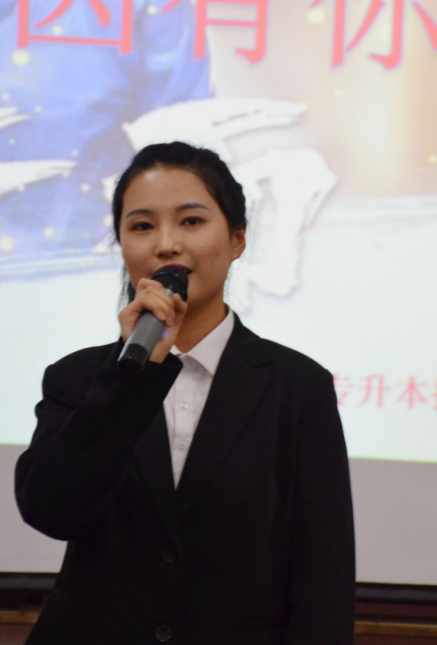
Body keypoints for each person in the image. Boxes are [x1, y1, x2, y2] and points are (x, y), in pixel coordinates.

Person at [15, 141, 356, 645]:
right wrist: (128, 381)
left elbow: (323, 568)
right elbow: (50, 510)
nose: (166, 245)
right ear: (121, 243)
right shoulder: (80, 378)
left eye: (191, 221)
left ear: (237, 238)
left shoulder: (297, 386)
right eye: (141, 226)